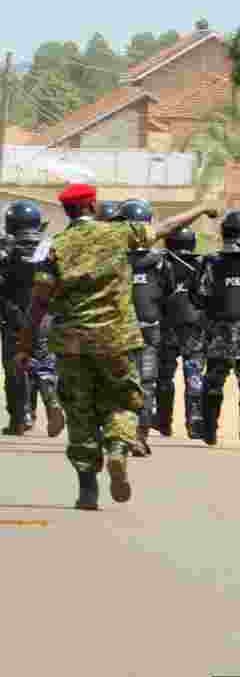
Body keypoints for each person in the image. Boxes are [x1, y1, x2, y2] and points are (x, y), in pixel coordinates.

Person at [16, 184, 215, 509]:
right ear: (92, 206)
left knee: (79, 412)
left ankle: (87, 489)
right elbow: (165, 228)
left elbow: (38, 303)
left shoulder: (55, 246)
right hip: (117, 340)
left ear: (67, 211)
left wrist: (25, 345)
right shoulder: (120, 233)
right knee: (122, 401)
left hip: (72, 343)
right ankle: (119, 450)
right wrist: (201, 208)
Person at [0, 201, 50, 435]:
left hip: (12, 316)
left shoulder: (6, 245)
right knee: (37, 363)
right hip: (44, 316)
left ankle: (20, 416)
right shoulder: (48, 246)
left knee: (15, 367)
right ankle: (33, 412)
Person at [113, 199, 166, 456]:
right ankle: (139, 437)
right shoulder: (160, 262)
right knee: (146, 385)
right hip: (147, 331)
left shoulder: (110, 260)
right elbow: (169, 294)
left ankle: (122, 436)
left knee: (120, 383)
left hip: (117, 332)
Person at [192, 211, 240, 446]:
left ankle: (210, 431)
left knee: (213, 382)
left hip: (219, 331)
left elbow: (199, 297)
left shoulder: (210, 262)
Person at [157, 227, 205, 439]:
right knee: (193, 374)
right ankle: (194, 423)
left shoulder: (159, 263)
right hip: (193, 327)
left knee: (164, 378)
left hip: (166, 326)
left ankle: (164, 422)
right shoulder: (201, 263)